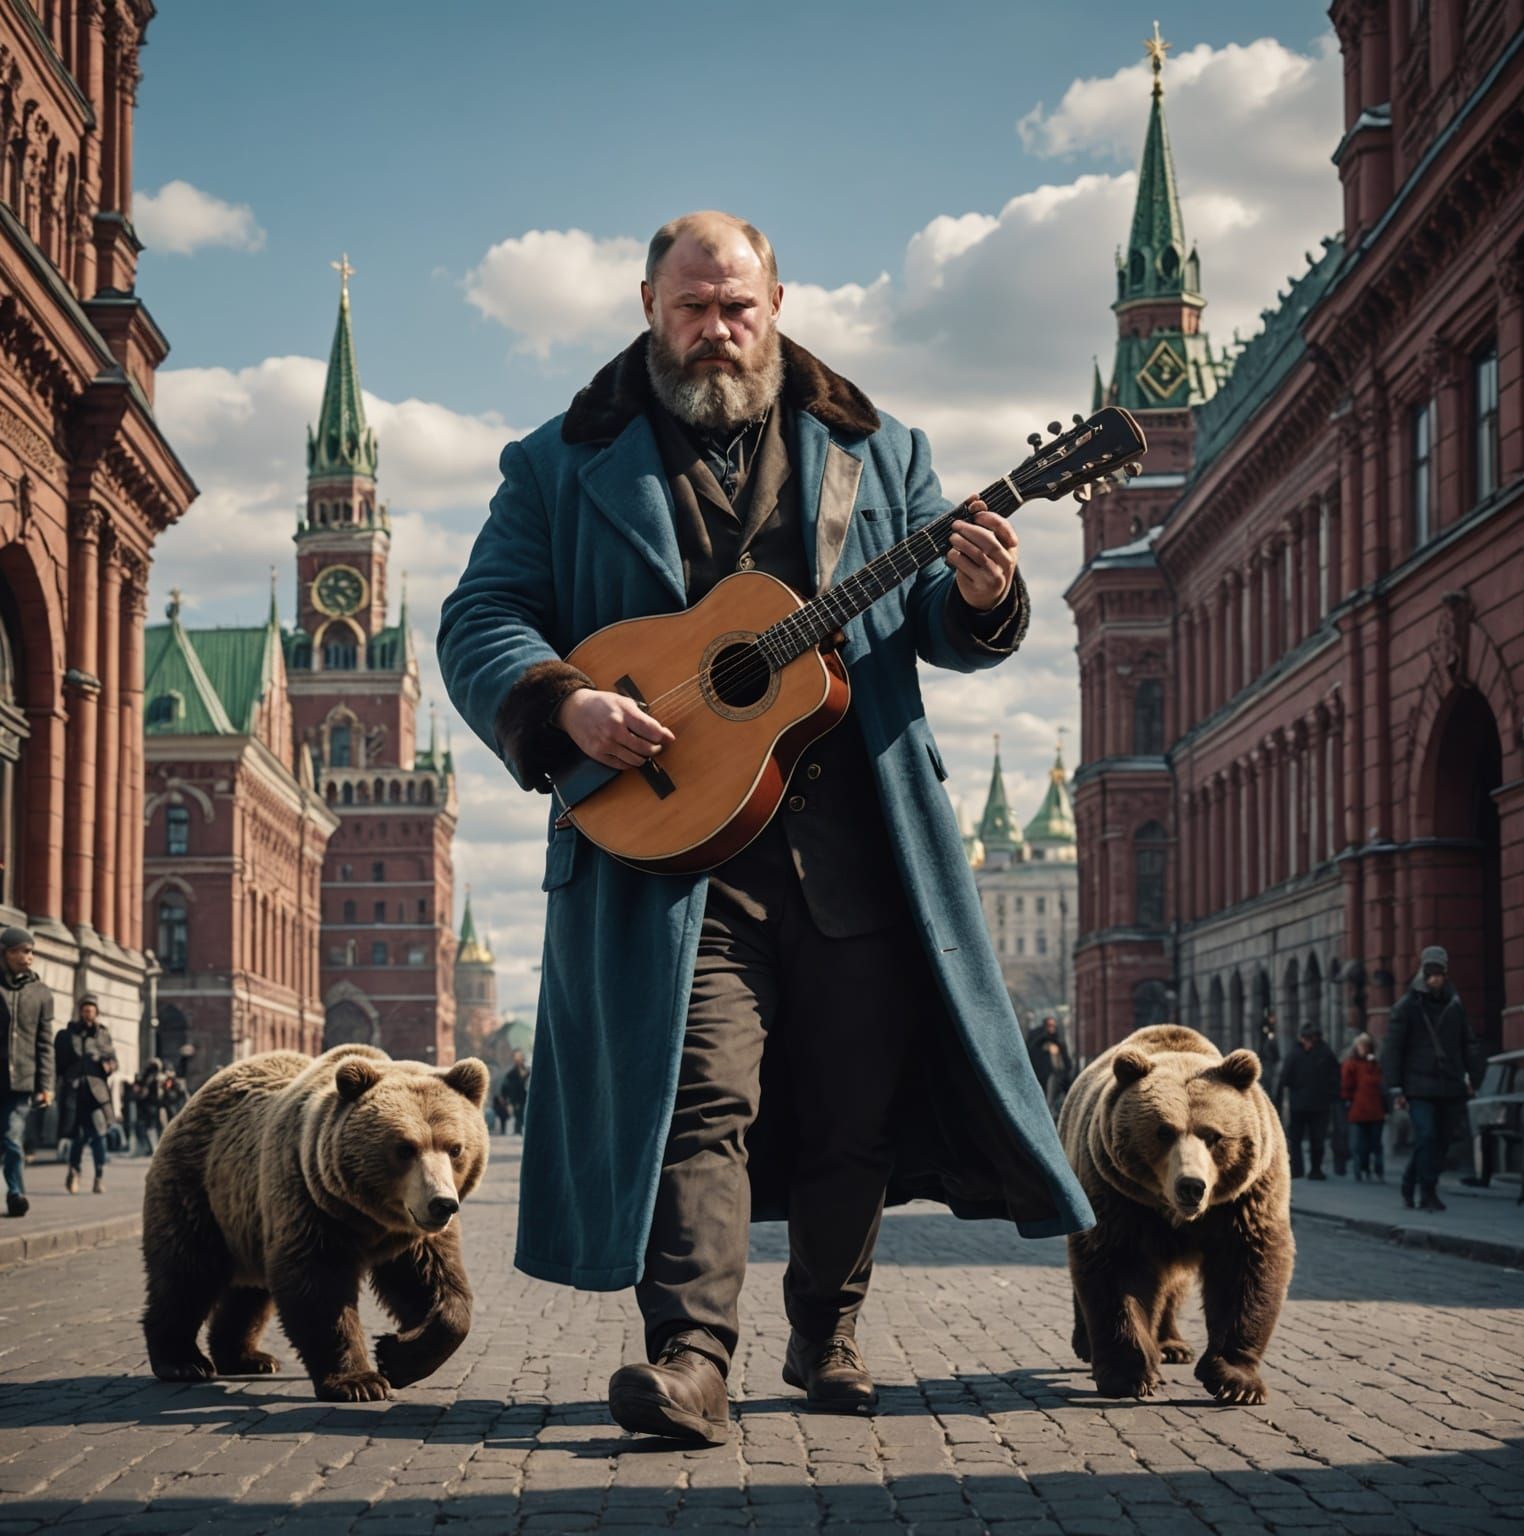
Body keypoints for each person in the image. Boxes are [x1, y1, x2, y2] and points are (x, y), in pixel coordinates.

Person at [438, 210, 1092, 1446]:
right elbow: (482, 617)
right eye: (691, 307)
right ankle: (690, 1357)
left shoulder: (880, 448)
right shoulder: (559, 461)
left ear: (776, 303)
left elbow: (934, 621)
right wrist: (564, 702)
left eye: (736, 306)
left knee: (855, 1108)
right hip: (674, 859)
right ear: (648, 305)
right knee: (696, 1099)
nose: (716, 330)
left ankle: (826, 1330)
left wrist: (982, 594)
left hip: (860, 845)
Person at [1382, 945, 1477, 1213]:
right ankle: (1428, 1192)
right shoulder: (1407, 1006)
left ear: (1446, 974)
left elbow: (1467, 1042)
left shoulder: (1454, 1004)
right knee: (1426, 1136)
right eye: (1431, 974)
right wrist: (1396, 1088)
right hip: (1418, 1086)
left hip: (1450, 1084)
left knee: (1441, 1141)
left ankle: (1410, 1180)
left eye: (1439, 974)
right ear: (1423, 973)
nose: (1435, 979)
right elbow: (1393, 1049)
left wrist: (1473, 1077)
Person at [0, 927, 53, 1218]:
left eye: (31, 951)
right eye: (22, 951)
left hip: (21, 1080)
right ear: (6, 954)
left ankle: (15, 1194)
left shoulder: (41, 993)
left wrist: (46, 1084)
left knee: (12, 1138)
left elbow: (45, 1043)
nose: (28, 957)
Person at [55, 994, 117, 1192]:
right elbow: (59, 1064)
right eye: (85, 1009)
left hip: (96, 1093)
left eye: (91, 1009)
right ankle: (74, 1173)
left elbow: (114, 1061)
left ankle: (99, 1176)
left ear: (96, 1012)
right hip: (74, 1092)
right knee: (78, 1137)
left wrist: (107, 1065)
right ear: (80, 1012)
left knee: (99, 1135)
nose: (88, 1013)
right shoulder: (68, 1034)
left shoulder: (103, 1035)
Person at [1276, 1023, 1339, 1181]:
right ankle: (1297, 1169)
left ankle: (1316, 1169)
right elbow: (1284, 1078)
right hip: (1298, 1105)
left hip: (1319, 1105)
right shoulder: (1295, 1054)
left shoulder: (1325, 1053)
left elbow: (1335, 1077)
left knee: (1317, 1138)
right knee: (1296, 1138)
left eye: (1310, 1039)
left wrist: (1331, 1095)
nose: (1307, 1042)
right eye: (1305, 1038)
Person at [1340, 1031, 1386, 1183]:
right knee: (1359, 1145)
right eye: (1361, 1046)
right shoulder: (1351, 1064)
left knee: (1376, 1144)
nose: (1363, 1049)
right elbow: (1346, 1085)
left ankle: (1377, 1170)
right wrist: (1347, 1100)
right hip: (1358, 1109)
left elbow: (1381, 1084)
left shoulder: (1375, 1065)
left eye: (1366, 1046)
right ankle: (1360, 1169)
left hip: (1375, 1109)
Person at [1025, 1016, 1073, 1117]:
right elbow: (1032, 1055)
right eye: (1049, 1026)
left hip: (1057, 1078)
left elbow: (1066, 1062)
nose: (1052, 1028)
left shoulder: (1058, 1043)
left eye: (1053, 1026)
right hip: (1042, 1078)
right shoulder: (1038, 1043)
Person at [501, 1051, 530, 1136]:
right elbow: (505, 1088)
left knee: (526, 1117)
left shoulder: (528, 1072)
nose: (520, 1060)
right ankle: (518, 1133)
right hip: (516, 1100)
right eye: (518, 1058)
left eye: (521, 1058)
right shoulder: (510, 1074)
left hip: (527, 1098)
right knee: (518, 1118)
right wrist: (507, 1102)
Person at [1256, 1011, 1281, 1102]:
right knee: (1267, 1081)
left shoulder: (1271, 1029)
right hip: (1267, 1060)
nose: (1274, 1019)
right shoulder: (1266, 1028)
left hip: (1269, 1060)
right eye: (1272, 1017)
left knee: (1269, 1081)